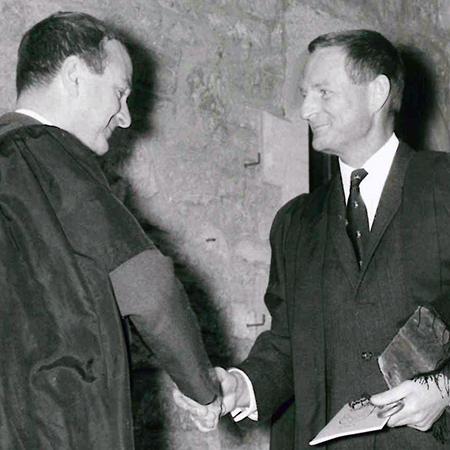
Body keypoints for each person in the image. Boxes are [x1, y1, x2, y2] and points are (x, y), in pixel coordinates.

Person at [173, 30, 450, 449]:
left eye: (323, 92)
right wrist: (242, 385)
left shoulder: (442, 186)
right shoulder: (295, 222)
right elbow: (287, 344)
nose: (305, 109)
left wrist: (444, 389)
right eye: (305, 94)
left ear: (377, 92)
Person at [0, 11, 220, 449]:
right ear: (75, 76)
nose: (125, 118)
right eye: (119, 94)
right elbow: (149, 289)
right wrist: (203, 389)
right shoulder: (49, 157)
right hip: (59, 426)